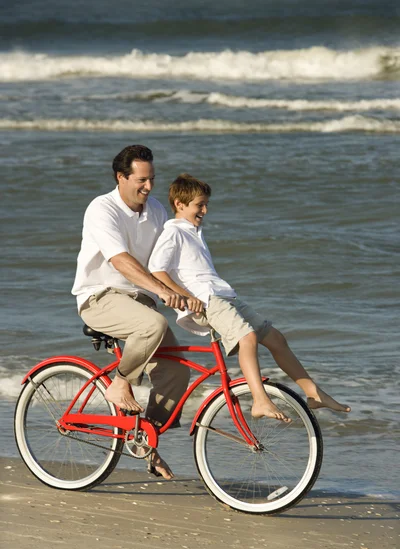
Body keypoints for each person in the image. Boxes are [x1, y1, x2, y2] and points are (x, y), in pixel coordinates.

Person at [148, 173, 351, 421]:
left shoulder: (193, 231)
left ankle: (314, 393)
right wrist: (185, 296)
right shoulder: (174, 232)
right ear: (180, 205)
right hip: (206, 300)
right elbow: (157, 269)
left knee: (276, 339)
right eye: (199, 205)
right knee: (248, 337)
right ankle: (259, 400)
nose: (205, 210)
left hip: (224, 296)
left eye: (206, 204)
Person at [71, 146, 190, 479]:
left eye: (152, 179)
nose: (149, 187)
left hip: (140, 301)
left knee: (177, 371)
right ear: (121, 178)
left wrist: (194, 296)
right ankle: (120, 383)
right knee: (153, 324)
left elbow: (168, 263)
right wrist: (161, 290)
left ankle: (143, 441)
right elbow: (120, 260)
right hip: (99, 297)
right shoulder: (101, 208)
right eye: (141, 180)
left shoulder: (155, 211)